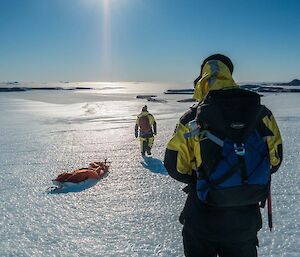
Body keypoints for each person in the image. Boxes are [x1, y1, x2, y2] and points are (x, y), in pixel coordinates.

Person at [164, 54, 283, 257]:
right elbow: (275, 160)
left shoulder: (193, 118)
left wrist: (204, 175)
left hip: (202, 217)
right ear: (230, 75)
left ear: (202, 78)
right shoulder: (261, 114)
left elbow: (175, 166)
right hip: (245, 220)